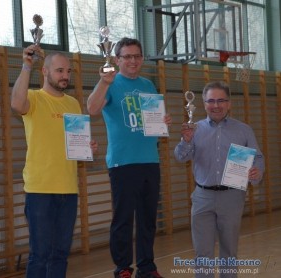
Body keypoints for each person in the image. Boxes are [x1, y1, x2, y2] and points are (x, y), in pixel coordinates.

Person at [87, 37, 171, 278]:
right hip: (122, 162)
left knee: (148, 219)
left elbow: (154, 121)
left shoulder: (148, 85)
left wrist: (162, 122)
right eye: (127, 56)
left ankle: (147, 266)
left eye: (136, 56)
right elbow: (92, 109)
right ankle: (123, 267)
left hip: (150, 160)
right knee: (123, 219)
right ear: (117, 59)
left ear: (142, 59)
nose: (132, 61)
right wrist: (104, 82)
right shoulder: (110, 83)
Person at [11, 45, 98, 278]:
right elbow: (16, 105)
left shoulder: (73, 104)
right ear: (45, 72)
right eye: (60, 71)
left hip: (68, 190)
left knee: (60, 254)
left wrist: (86, 149)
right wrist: (26, 65)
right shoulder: (33, 98)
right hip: (40, 190)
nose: (65, 76)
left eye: (68, 71)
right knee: (40, 255)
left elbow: (74, 146)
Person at [174, 81, 265, 277]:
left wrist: (257, 171)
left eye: (221, 100)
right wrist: (186, 141)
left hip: (232, 197)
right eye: (211, 101)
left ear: (229, 103)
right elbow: (181, 157)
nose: (216, 105)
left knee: (229, 252)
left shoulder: (243, 130)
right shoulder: (194, 129)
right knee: (202, 253)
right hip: (202, 197)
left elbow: (257, 158)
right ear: (204, 104)